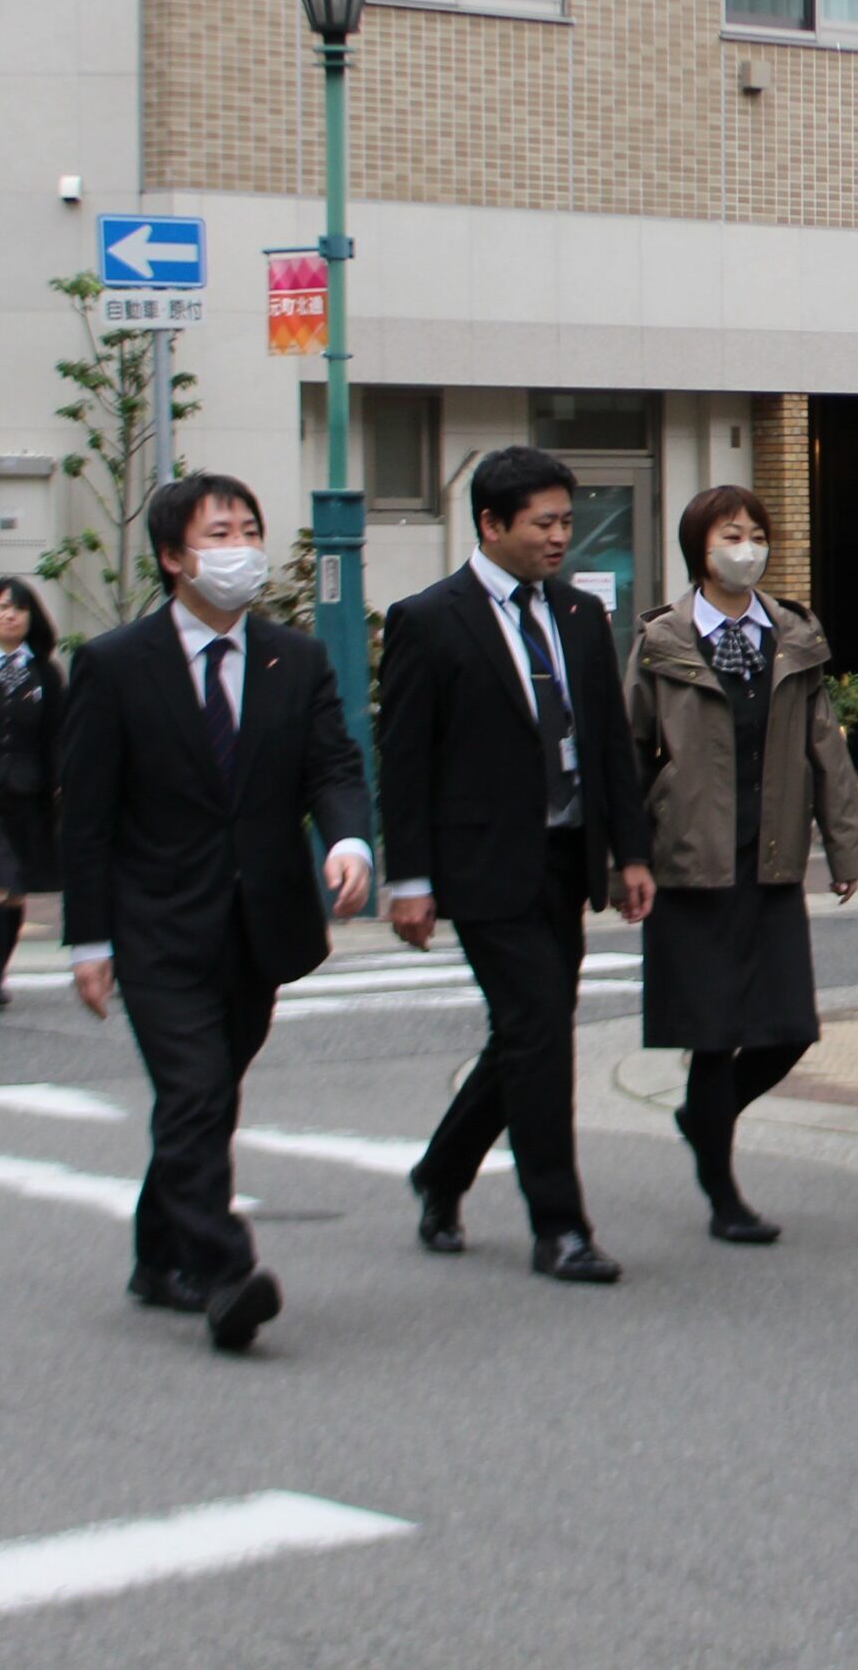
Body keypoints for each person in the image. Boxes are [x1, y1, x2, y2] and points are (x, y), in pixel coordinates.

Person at [54, 477, 371, 1350]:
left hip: (260, 922)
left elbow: (332, 766)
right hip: (155, 922)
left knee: (208, 1094)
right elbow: (86, 817)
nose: (241, 549)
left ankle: (158, 1257)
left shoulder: (292, 659)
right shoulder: (116, 664)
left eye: (249, 530)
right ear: (173, 557)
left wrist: (348, 842)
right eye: (219, 533)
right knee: (194, 1090)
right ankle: (226, 1273)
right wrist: (88, 940)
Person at [379, 446, 651, 1284]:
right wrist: (410, 881)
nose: (561, 536)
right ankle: (559, 1227)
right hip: (482, 862)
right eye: (544, 523)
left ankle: (441, 1170)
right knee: (538, 1029)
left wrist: (631, 853)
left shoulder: (578, 614)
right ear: (492, 524)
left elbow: (607, 742)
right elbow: (404, 761)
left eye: (567, 520)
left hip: (565, 856)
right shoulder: (430, 620)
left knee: (529, 1032)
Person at [627, 487, 858, 1243]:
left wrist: (845, 847)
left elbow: (825, 748)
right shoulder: (662, 640)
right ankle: (724, 1195)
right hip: (690, 864)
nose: (748, 548)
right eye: (731, 535)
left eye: (757, 535)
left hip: (770, 860)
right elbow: (629, 752)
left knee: (788, 1028)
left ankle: (704, 1119)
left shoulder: (793, 637)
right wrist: (622, 860)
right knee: (712, 1036)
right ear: (698, 549)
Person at [0, 575, 66, 1007]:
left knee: (14, 893)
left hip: (27, 795)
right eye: (3, 607)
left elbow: (59, 734)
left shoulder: (44, 673)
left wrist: (62, 783)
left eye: (18, 608)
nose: (10, 615)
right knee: (2, 884)